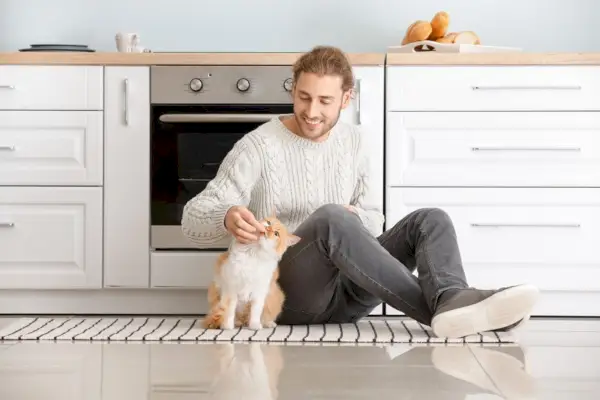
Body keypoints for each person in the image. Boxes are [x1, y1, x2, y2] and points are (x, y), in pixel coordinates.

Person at [181, 45, 539, 338]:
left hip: (349, 294)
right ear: (293, 90)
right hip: (289, 296)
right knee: (331, 217)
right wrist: (227, 217)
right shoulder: (258, 146)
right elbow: (193, 219)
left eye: (324, 101)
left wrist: (358, 220)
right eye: (304, 97)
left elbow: (373, 219)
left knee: (431, 220)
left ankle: (452, 299)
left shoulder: (357, 144)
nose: (311, 111)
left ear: (346, 98)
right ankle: (449, 313)